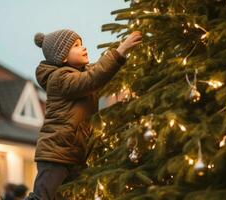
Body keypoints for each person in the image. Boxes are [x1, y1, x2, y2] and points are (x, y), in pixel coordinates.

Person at [28, 29, 142, 200]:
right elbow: (93, 78)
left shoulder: (78, 74)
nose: (84, 48)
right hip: (56, 153)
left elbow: (96, 71)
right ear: (63, 57)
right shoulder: (60, 79)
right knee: (42, 197)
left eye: (82, 44)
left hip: (73, 154)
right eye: (76, 46)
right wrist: (120, 52)